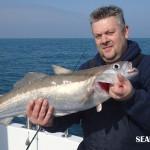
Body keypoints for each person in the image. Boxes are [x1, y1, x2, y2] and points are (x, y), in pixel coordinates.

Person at [26, 5, 150, 150]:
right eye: (98, 36)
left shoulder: (146, 66)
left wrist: (132, 97)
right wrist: (49, 122)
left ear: (125, 31)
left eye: (109, 32)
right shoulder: (86, 68)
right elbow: (70, 117)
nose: (104, 40)